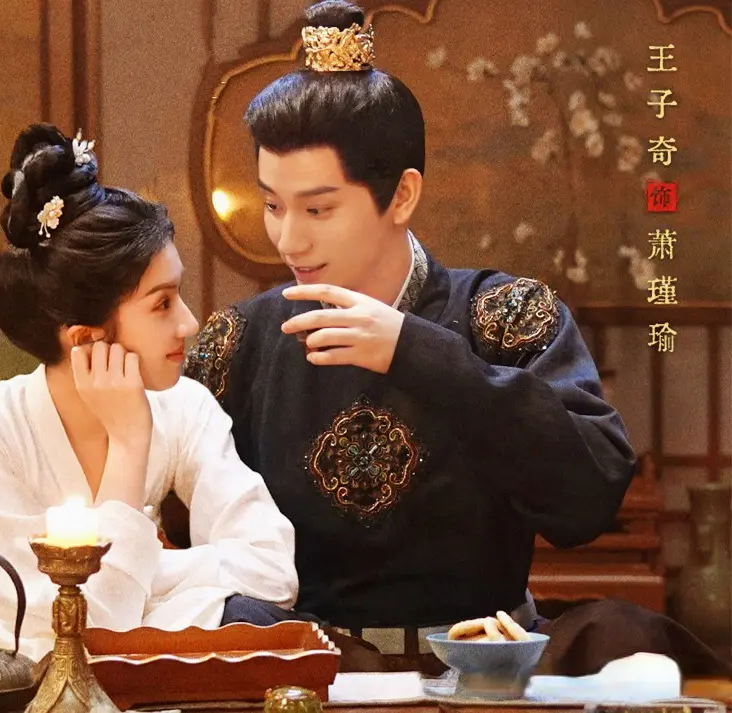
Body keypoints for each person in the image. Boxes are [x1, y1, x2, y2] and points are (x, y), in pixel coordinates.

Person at [184, 0, 645, 670]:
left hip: (486, 674)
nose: (288, 239)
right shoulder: (240, 343)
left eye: (318, 209)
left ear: (401, 195)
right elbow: (186, 547)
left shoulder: (504, 315)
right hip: (316, 676)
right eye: (274, 205)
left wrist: (418, 353)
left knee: (628, 639)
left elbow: (588, 501)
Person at [0, 123, 298, 664]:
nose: (189, 323)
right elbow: (71, 637)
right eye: (162, 304)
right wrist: (128, 444)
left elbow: (273, 572)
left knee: (253, 622)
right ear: (85, 338)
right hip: (10, 677)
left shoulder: (183, 406)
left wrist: (141, 573)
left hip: (137, 661)